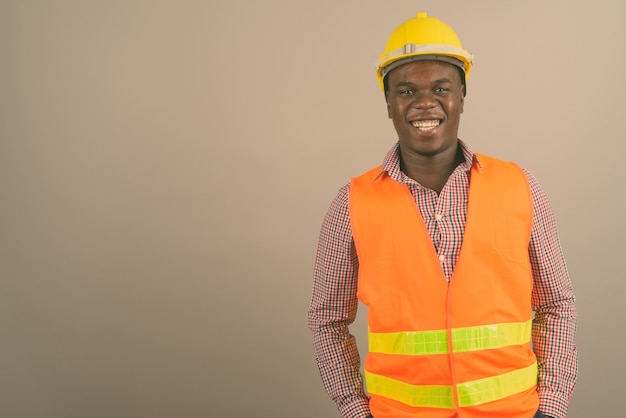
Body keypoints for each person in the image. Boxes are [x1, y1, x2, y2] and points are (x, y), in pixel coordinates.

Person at [307, 12, 577, 418]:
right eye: (406, 90)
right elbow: (326, 320)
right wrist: (354, 409)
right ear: (388, 103)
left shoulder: (521, 188)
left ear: (462, 96)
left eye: (441, 87)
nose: (424, 102)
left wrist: (551, 409)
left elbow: (558, 304)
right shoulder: (350, 205)